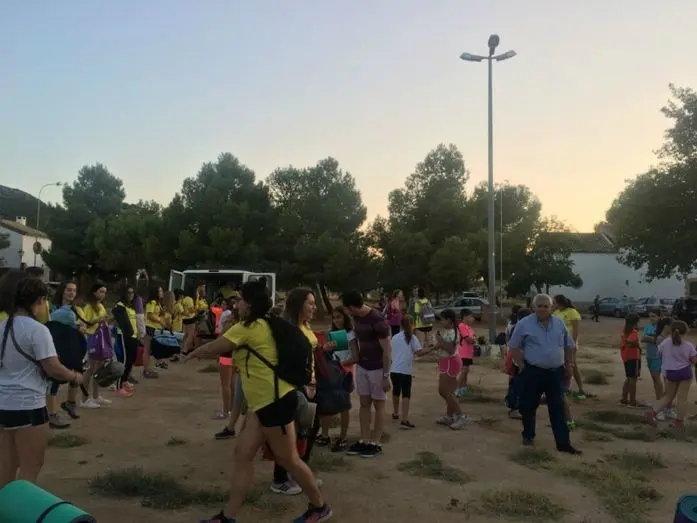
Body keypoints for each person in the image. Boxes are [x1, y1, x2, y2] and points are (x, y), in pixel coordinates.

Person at [186, 280, 331, 523]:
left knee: (289, 460)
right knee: (243, 454)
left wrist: (191, 352)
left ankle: (320, 507)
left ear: (249, 303)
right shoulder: (267, 323)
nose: (237, 304)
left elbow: (214, 347)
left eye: (240, 300)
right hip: (262, 404)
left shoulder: (248, 327)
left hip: (275, 403)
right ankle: (228, 517)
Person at [0, 277, 84, 488]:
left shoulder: (1, 326)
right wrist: (74, 376)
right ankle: (22, 506)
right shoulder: (37, 330)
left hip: (3, 403)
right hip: (28, 405)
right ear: (39, 300)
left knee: (6, 465)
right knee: (31, 465)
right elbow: (53, 367)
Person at [508, 293, 581, 455]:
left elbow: (568, 345)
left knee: (557, 407)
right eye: (539, 306)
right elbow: (514, 346)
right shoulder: (524, 324)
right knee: (528, 405)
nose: (542, 309)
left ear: (552, 307)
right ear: (533, 307)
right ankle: (528, 435)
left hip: (555, 372)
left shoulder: (559, 323)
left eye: (546, 306)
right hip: (532, 372)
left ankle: (563, 443)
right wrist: (521, 365)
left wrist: (569, 364)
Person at [270, 288, 324, 496]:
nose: (314, 307)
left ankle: (300, 473)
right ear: (298, 304)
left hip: (310, 384)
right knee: (289, 434)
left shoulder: (305, 325)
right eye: (310, 303)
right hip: (292, 386)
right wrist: (302, 384)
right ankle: (280, 479)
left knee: (309, 429)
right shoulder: (287, 328)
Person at [342, 290, 392, 458]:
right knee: (364, 404)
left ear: (351, 307)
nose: (346, 312)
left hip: (377, 368)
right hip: (363, 366)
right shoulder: (356, 318)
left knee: (379, 404)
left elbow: (387, 350)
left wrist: (386, 376)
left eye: (346, 309)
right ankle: (364, 440)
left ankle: (375, 443)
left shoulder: (377, 320)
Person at [316, 306, 355, 452]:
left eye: (339, 317)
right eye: (334, 318)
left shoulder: (351, 334)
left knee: (344, 406)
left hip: (345, 374)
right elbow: (331, 354)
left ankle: (342, 437)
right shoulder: (333, 334)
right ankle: (325, 434)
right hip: (332, 374)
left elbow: (355, 356)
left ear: (346, 317)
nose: (336, 320)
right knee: (326, 403)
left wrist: (341, 364)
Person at [646, 320, 697, 429]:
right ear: (686, 332)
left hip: (670, 372)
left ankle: (653, 412)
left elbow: (659, 353)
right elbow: (694, 361)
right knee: (682, 399)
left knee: (668, 397)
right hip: (685, 372)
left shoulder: (666, 342)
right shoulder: (688, 345)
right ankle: (678, 422)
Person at [46, 280, 83, 426]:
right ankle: (51, 414)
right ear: (62, 291)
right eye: (69, 290)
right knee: (53, 379)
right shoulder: (51, 307)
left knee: (76, 373)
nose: (71, 293)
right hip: (56, 345)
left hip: (72, 345)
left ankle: (70, 403)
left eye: (74, 290)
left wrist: (81, 328)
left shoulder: (76, 310)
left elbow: (82, 325)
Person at [389, 315, 429, 429]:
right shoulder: (412, 338)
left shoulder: (395, 337)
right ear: (412, 325)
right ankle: (405, 419)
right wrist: (431, 349)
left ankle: (395, 412)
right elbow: (419, 353)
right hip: (405, 370)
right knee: (406, 394)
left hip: (394, 369)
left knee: (396, 391)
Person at [434, 309, 468, 430]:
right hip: (446, 362)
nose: (441, 322)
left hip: (450, 363)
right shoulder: (448, 331)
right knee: (448, 391)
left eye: (443, 320)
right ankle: (449, 416)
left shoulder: (453, 332)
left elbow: (450, 349)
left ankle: (460, 416)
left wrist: (440, 341)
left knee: (445, 391)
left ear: (449, 320)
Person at [77, 283, 110, 409]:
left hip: (100, 337)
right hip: (92, 337)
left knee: (99, 368)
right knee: (90, 368)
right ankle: (84, 399)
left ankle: (96, 396)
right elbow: (85, 324)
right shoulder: (88, 307)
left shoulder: (100, 305)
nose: (103, 294)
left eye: (104, 292)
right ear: (94, 292)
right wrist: (98, 320)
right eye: (101, 291)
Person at [553, 295, 586, 400]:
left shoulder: (572, 312)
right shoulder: (556, 313)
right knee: (560, 366)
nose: (554, 304)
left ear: (560, 302)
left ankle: (581, 389)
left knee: (572, 365)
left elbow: (576, 330)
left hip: (569, 343)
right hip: (558, 344)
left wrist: (574, 343)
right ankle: (564, 388)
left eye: (555, 302)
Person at [504, 308, 531, 419]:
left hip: (516, 359)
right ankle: (514, 408)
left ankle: (515, 405)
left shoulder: (518, 326)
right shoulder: (520, 327)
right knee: (518, 385)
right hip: (518, 360)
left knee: (517, 384)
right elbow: (516, 346)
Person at [112, 286, 139, 398]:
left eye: (132, 292)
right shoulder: (119, 306)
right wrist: (129, 333)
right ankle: (118, 387)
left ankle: (124, 381)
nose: (131, 295)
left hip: (133, 336)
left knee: (130, 360)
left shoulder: (131, 306)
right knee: (123, 361)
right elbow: (122, 322)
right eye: (128, 292)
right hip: (124, 336)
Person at [619, 313, 641, 408]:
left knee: (629, 378)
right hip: (633, 356)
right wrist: (637, 345)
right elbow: (630, 341)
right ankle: (632, 401)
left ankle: (624, 399)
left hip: (626, 356)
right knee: (633, 379)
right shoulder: (633, 332)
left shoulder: (624, 331)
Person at [142, 286, 164, 378]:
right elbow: (150, 316)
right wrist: (160, 320)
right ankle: (146, 371)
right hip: (149, 327)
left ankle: (148, 369)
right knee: (147, 350)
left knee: (149, 350)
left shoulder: (157, 303)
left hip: (153, 328)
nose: (162, 292)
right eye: (160, 291)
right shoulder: (152, 302)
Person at [643, 312, 664, 403]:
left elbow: (659, 341)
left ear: (659, 317)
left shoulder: (661, 328)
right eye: (650, 316)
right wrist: (653, 339)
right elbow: (643, 338)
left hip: (657, 356)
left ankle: (660, 399)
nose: (651, 318)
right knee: (653, 378)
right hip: (649, 355)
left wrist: (649, 338)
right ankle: (657, 397)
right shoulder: (648, 326)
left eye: (654, 316)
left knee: (657, 377)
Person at [455, 309, 476, 398]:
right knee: (463, 371)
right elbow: (469, 339)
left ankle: (463, 388)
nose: (472, 319)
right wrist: (474, 340)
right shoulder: (462, 326)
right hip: (462, 352)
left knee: (466, 371)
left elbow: (473, 337)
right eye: (471, 316)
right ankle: (457, 389)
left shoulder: (469, 327)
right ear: (465, 317)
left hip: (468, 353)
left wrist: (474, 339)